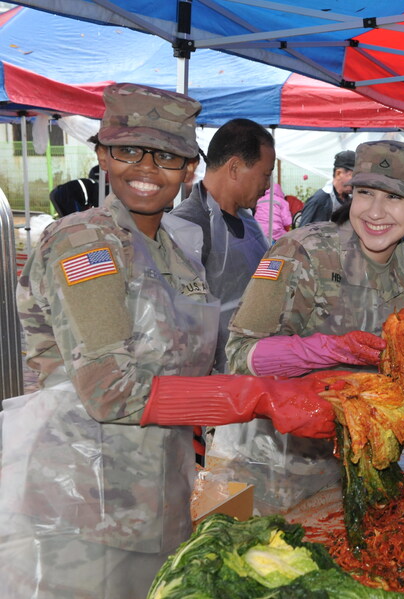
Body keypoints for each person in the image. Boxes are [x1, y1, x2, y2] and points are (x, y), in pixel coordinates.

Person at [3, 83, 332, 599]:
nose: (147, 168)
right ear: (103, 155)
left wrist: (304, 367)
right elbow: (108, 389)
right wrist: (256, 397)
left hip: (162, 492)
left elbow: (191, 367)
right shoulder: (84, 241)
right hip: (87, 501)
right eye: (128, 150)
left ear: (190, 168)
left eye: (168, 156)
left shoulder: (173, 252)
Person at [218, 140, 404, 513]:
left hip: (364, 467)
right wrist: (326, 349)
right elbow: (240, 356)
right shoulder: (302, 253)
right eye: (366, 193)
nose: (375, 211)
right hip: (274, 465)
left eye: (394, 198)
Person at [171, 118, 274, 373]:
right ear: (236, 168)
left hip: (253, 364)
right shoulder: (187, 227)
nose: (267, 186)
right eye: (265, 174)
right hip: (216, 375)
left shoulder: (248, 222)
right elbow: (179, 325)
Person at [297, 149, 355, 226]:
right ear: (338, 173)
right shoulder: (320, 201)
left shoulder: (349, 198)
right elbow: (303, 233)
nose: (356, 180)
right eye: (353, 175)